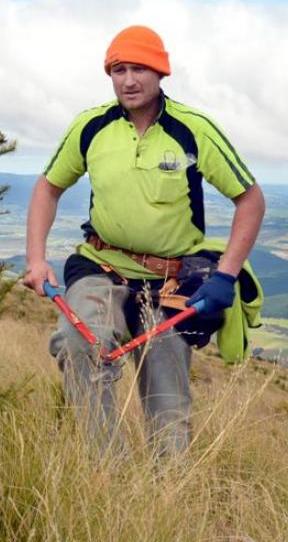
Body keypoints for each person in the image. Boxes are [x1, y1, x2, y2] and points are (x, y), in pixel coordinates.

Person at [24, 25, 265, 457]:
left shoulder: (194, 129)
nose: (128, 80)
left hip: (170, 282)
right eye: (118, 69)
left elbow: (250, 199)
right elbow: (47, 187)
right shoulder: (91, 126)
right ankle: (106, 472)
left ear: (160, 74)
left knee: (169, 409)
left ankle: (166, 495)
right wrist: (36, 260)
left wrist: (225, 277)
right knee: (82, 345)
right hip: (100, 265)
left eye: (139, 68)